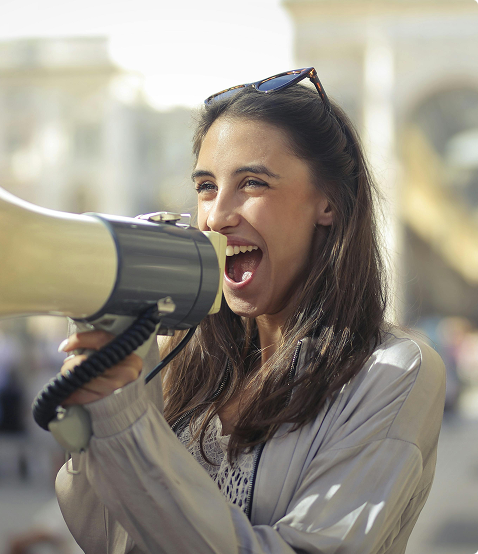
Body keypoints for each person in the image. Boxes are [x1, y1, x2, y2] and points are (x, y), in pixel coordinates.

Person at [54, 68, 446, 553]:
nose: (217, 216)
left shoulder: (393, 372)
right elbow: (110, 540)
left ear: (329, 203)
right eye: (205, 187)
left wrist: (130, 425)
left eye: (253, 183)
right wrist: (97, 419)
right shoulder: (174, 353)